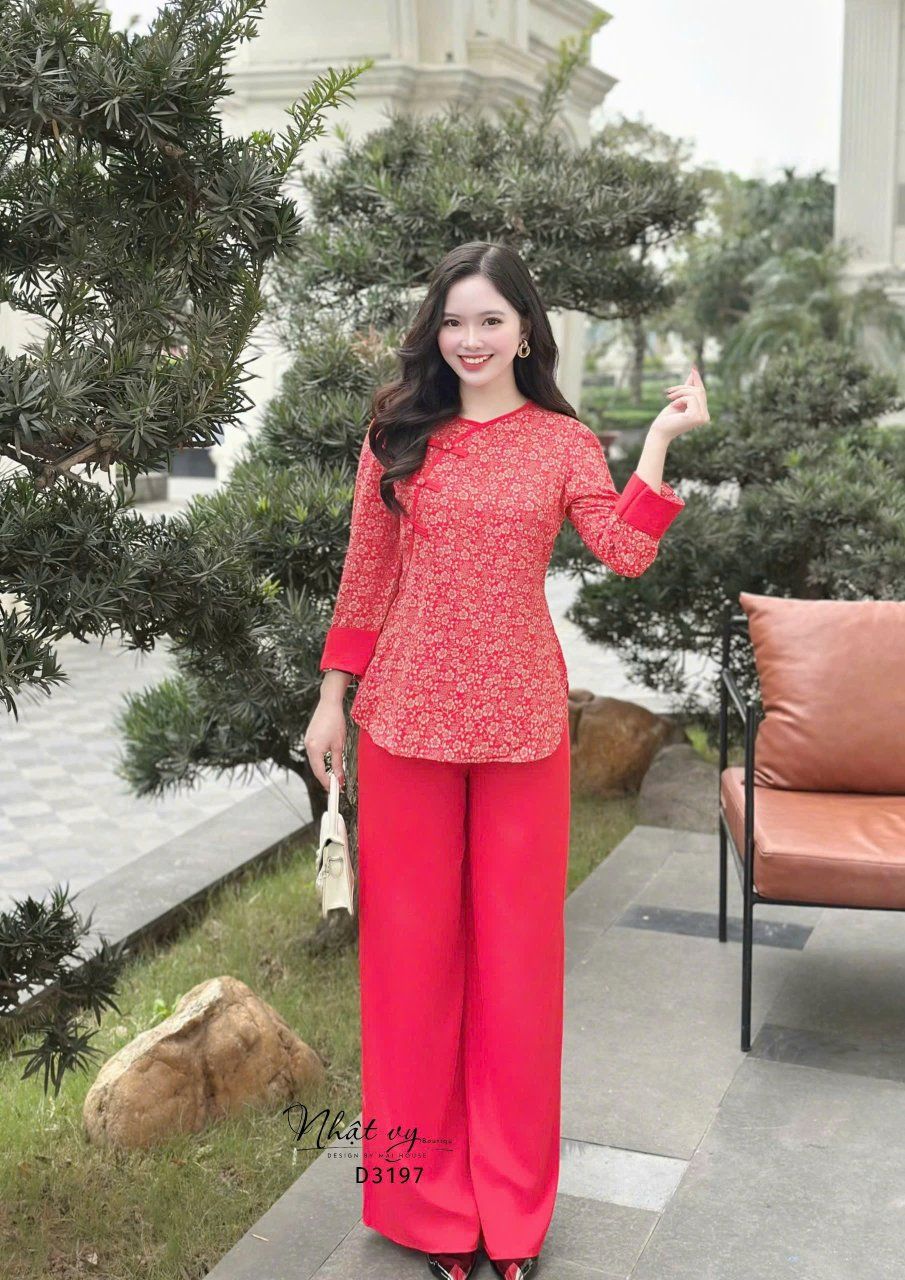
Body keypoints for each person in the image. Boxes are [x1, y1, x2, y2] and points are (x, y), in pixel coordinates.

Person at [303, 241, 709, 1280]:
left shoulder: (562, 441)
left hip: (523, 728)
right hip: (403, 724)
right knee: (409, 970)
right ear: (433, 331)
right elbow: (365, 575)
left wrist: (659, 443)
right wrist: (332, 698)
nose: (469, 339)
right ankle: (425, 1205)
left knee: (517, 974)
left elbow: (624, 550)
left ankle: (511, 1209)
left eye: (488, 319)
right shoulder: (398, 434)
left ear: (525, 328)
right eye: (452, 321)